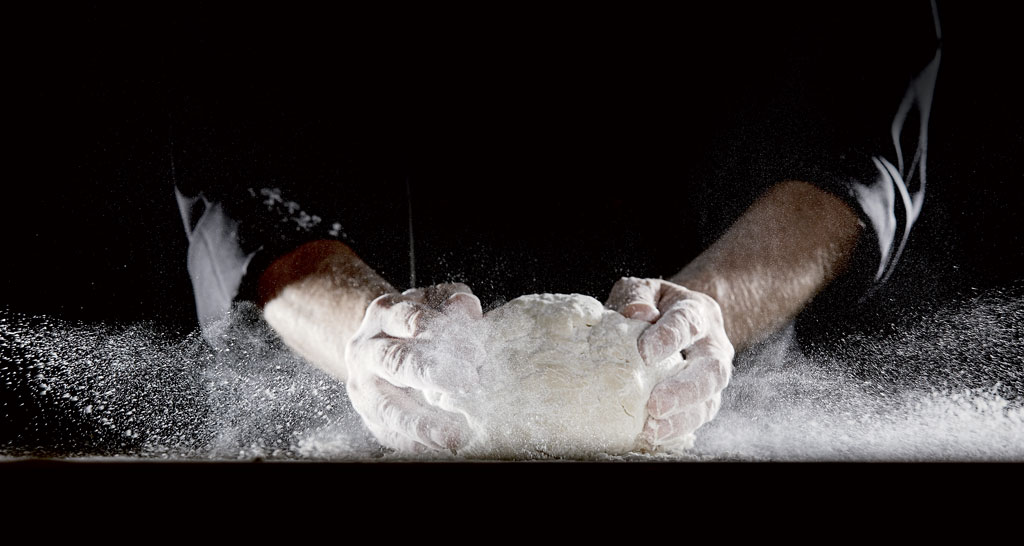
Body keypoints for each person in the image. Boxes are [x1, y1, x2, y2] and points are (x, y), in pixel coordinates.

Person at [172, 2, 941, 453]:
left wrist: (701, 312)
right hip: (373, 421)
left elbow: (855, 135)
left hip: (711, 411)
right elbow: (239, 165)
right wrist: (370, 337)